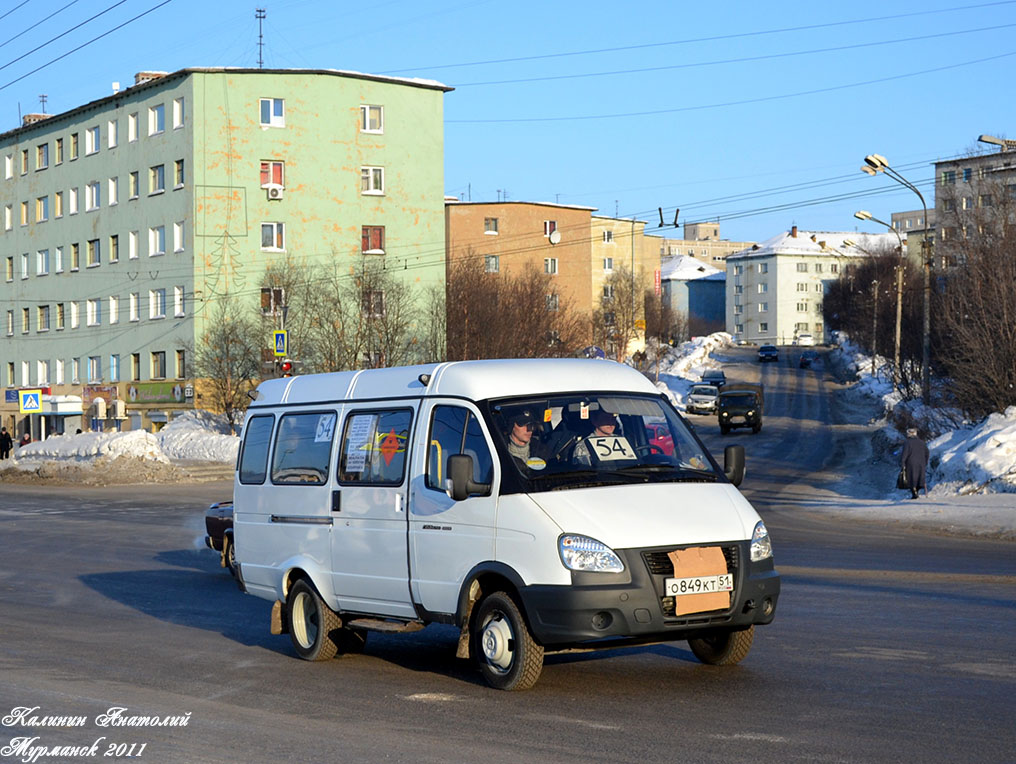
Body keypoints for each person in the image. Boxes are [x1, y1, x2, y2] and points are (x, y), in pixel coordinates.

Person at [901, 427, 930, 500]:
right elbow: (927, 453)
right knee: (920, 478)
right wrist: (925, 461)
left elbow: (904, 454)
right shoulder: (922, 442)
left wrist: (903, 463)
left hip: (911, 463)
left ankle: (914, 493)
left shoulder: (907, 443)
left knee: (911, 478)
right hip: (921, 463)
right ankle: (916, 492)